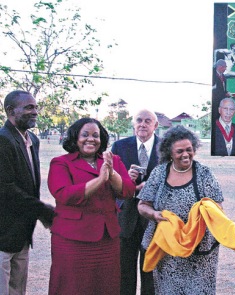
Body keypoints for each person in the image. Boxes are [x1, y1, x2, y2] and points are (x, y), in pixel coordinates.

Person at [47, 118, 136, 295]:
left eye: (96, 135)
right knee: (72, 287)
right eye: (85, 135)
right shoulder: (61, 163)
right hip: (72, 239)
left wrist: (111, 174)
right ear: (75, 138)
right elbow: (65, 194)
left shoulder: (112, 160)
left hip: (107, 239)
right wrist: (99, 180)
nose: (91, 139)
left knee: (105, 286)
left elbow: (128, 191)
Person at [137, 125, 224, 294]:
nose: (186, 154)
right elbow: (142, 205)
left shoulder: (205, 173)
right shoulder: (159, 173)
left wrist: (202, 216)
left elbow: (218, 206)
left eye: (189, 149)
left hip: (199, 251)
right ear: (170, 153)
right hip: (168, 250)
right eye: (180, 151)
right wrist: (155, 215)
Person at [0, 90, 55, 295]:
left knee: (17, 290)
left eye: (36, 107)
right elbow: (5, 188)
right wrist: (42, 210)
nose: (35, 112)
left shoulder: (32, 139)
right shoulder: (2, 140)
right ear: (10, 111)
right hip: (3, 231)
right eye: (29, 107)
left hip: (23, 231)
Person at [111, 109, 159, 295]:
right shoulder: (119, 147)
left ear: (155, 125)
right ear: (133, 124)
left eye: (148, 121)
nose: (143, 124)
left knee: (151, 272)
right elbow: (111, 182)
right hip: (126, 217)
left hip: (154, 218)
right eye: (139, 120)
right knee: (124, 272)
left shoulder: (166, 146)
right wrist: (126, 180)